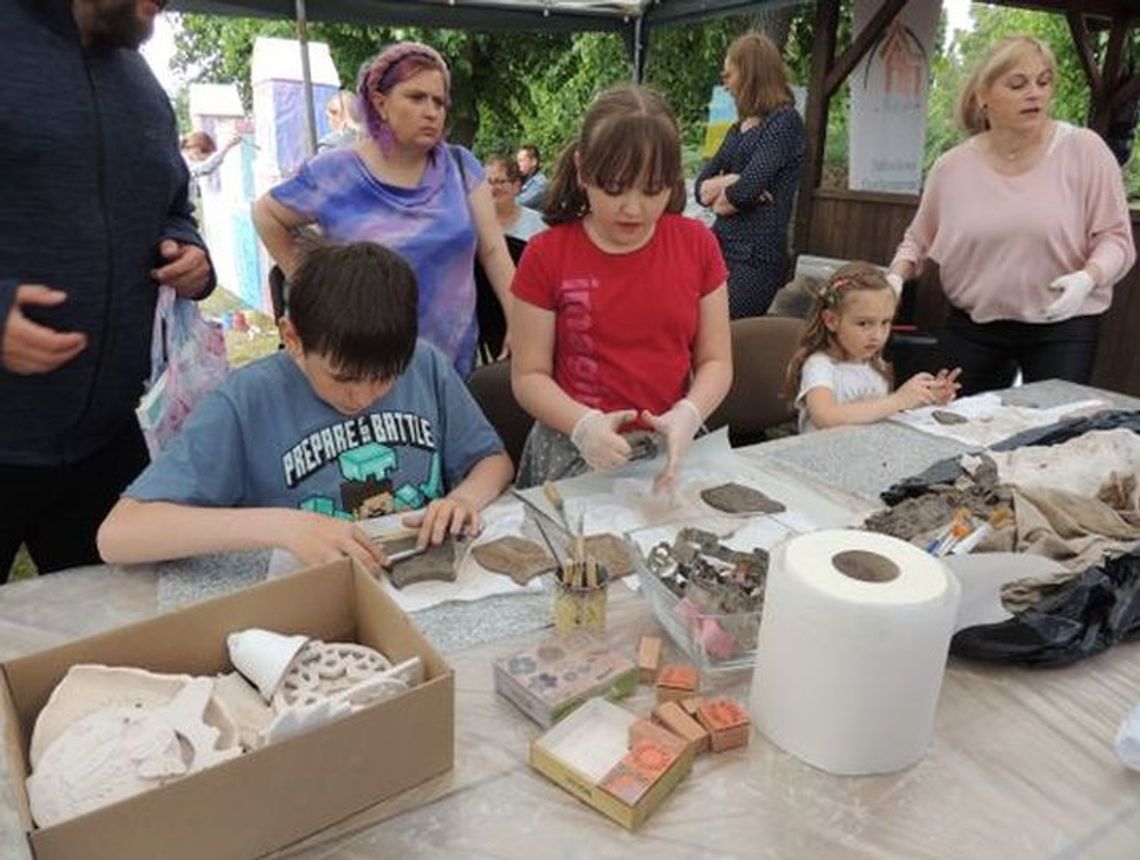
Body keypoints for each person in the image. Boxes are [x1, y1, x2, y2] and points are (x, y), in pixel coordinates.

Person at [97, 242, 513, 572]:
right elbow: (120, 535)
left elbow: (492, 461)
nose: (364, 397)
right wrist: (283, 526)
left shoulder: (424, 365)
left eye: (386, 378)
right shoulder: (246, 400)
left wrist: (465, 498)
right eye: (343, 378)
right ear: (292, 337)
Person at [0, 0, 215, 582]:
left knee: (117, 644)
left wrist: (189, 251)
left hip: (110, 439)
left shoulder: (143, 85)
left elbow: (175, 205)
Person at [510, 85, 733, 492]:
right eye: (614, 188)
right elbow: (528, 375)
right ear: (582, 168)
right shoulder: (546, 254)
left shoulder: (697, 244)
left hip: (672, 442)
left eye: (653, 189)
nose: (633, 208)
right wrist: (582, 424)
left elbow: (716, 360)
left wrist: (690, 411)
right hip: (575, 445)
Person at [888, 34, 1135, 396]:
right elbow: (917, 242)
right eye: (1018, 84)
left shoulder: (1084, 150)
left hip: (1062, 325)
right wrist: (895, 278)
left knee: (1050, 434)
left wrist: (1089, 276)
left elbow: (1115, 238)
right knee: (948, 424)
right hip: (973, 326)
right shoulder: (951, 167)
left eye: (1043, 81)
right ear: (982, 95)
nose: (1034, 93)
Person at [252, 41, 515, 378]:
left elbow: (494, 250)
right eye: (416, 97)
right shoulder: (336, 172)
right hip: (363, 363)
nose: (432, 111)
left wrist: (519, 321)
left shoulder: (461, 167)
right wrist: (312, 288)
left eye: (440, 101)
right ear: (379, 102)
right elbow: (266, 214)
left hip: (452, 364)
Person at [695, 32, 806, 319]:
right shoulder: (736, 129)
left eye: (729, 74)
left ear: (750, 74)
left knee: (720, 326)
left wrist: (731, 193)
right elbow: (700, 189)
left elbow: (745, 191)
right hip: (718, 249)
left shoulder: (784, 123)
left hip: (755, 259)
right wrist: (733, 182)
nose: (726, 83)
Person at [784, 263, 961, 433]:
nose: (877, 335)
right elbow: (825, 417)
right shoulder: (820, 365)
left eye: (885, 322)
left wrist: (925, 398)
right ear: (832, 321)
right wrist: (898, 400)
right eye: (863, 323)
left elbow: (877, 412)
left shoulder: (875, 363)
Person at [485, 155, 547, 241]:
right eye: (488, 182)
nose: (492, 188)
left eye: (500, 182)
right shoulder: (474, 222)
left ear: (516, 186)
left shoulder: (538, 225)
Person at [181, 129, 242, 206]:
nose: (203, 157)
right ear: (193, 146)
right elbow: (206, 167)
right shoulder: (182, 162)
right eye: (203, 151)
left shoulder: (186, 163)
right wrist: (227, 147)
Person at [515, 144, 549, 209]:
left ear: (533, 162)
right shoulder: (525, 181)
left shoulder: (540, 184)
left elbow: (519, 203)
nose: (517, 165)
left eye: (521, 161)